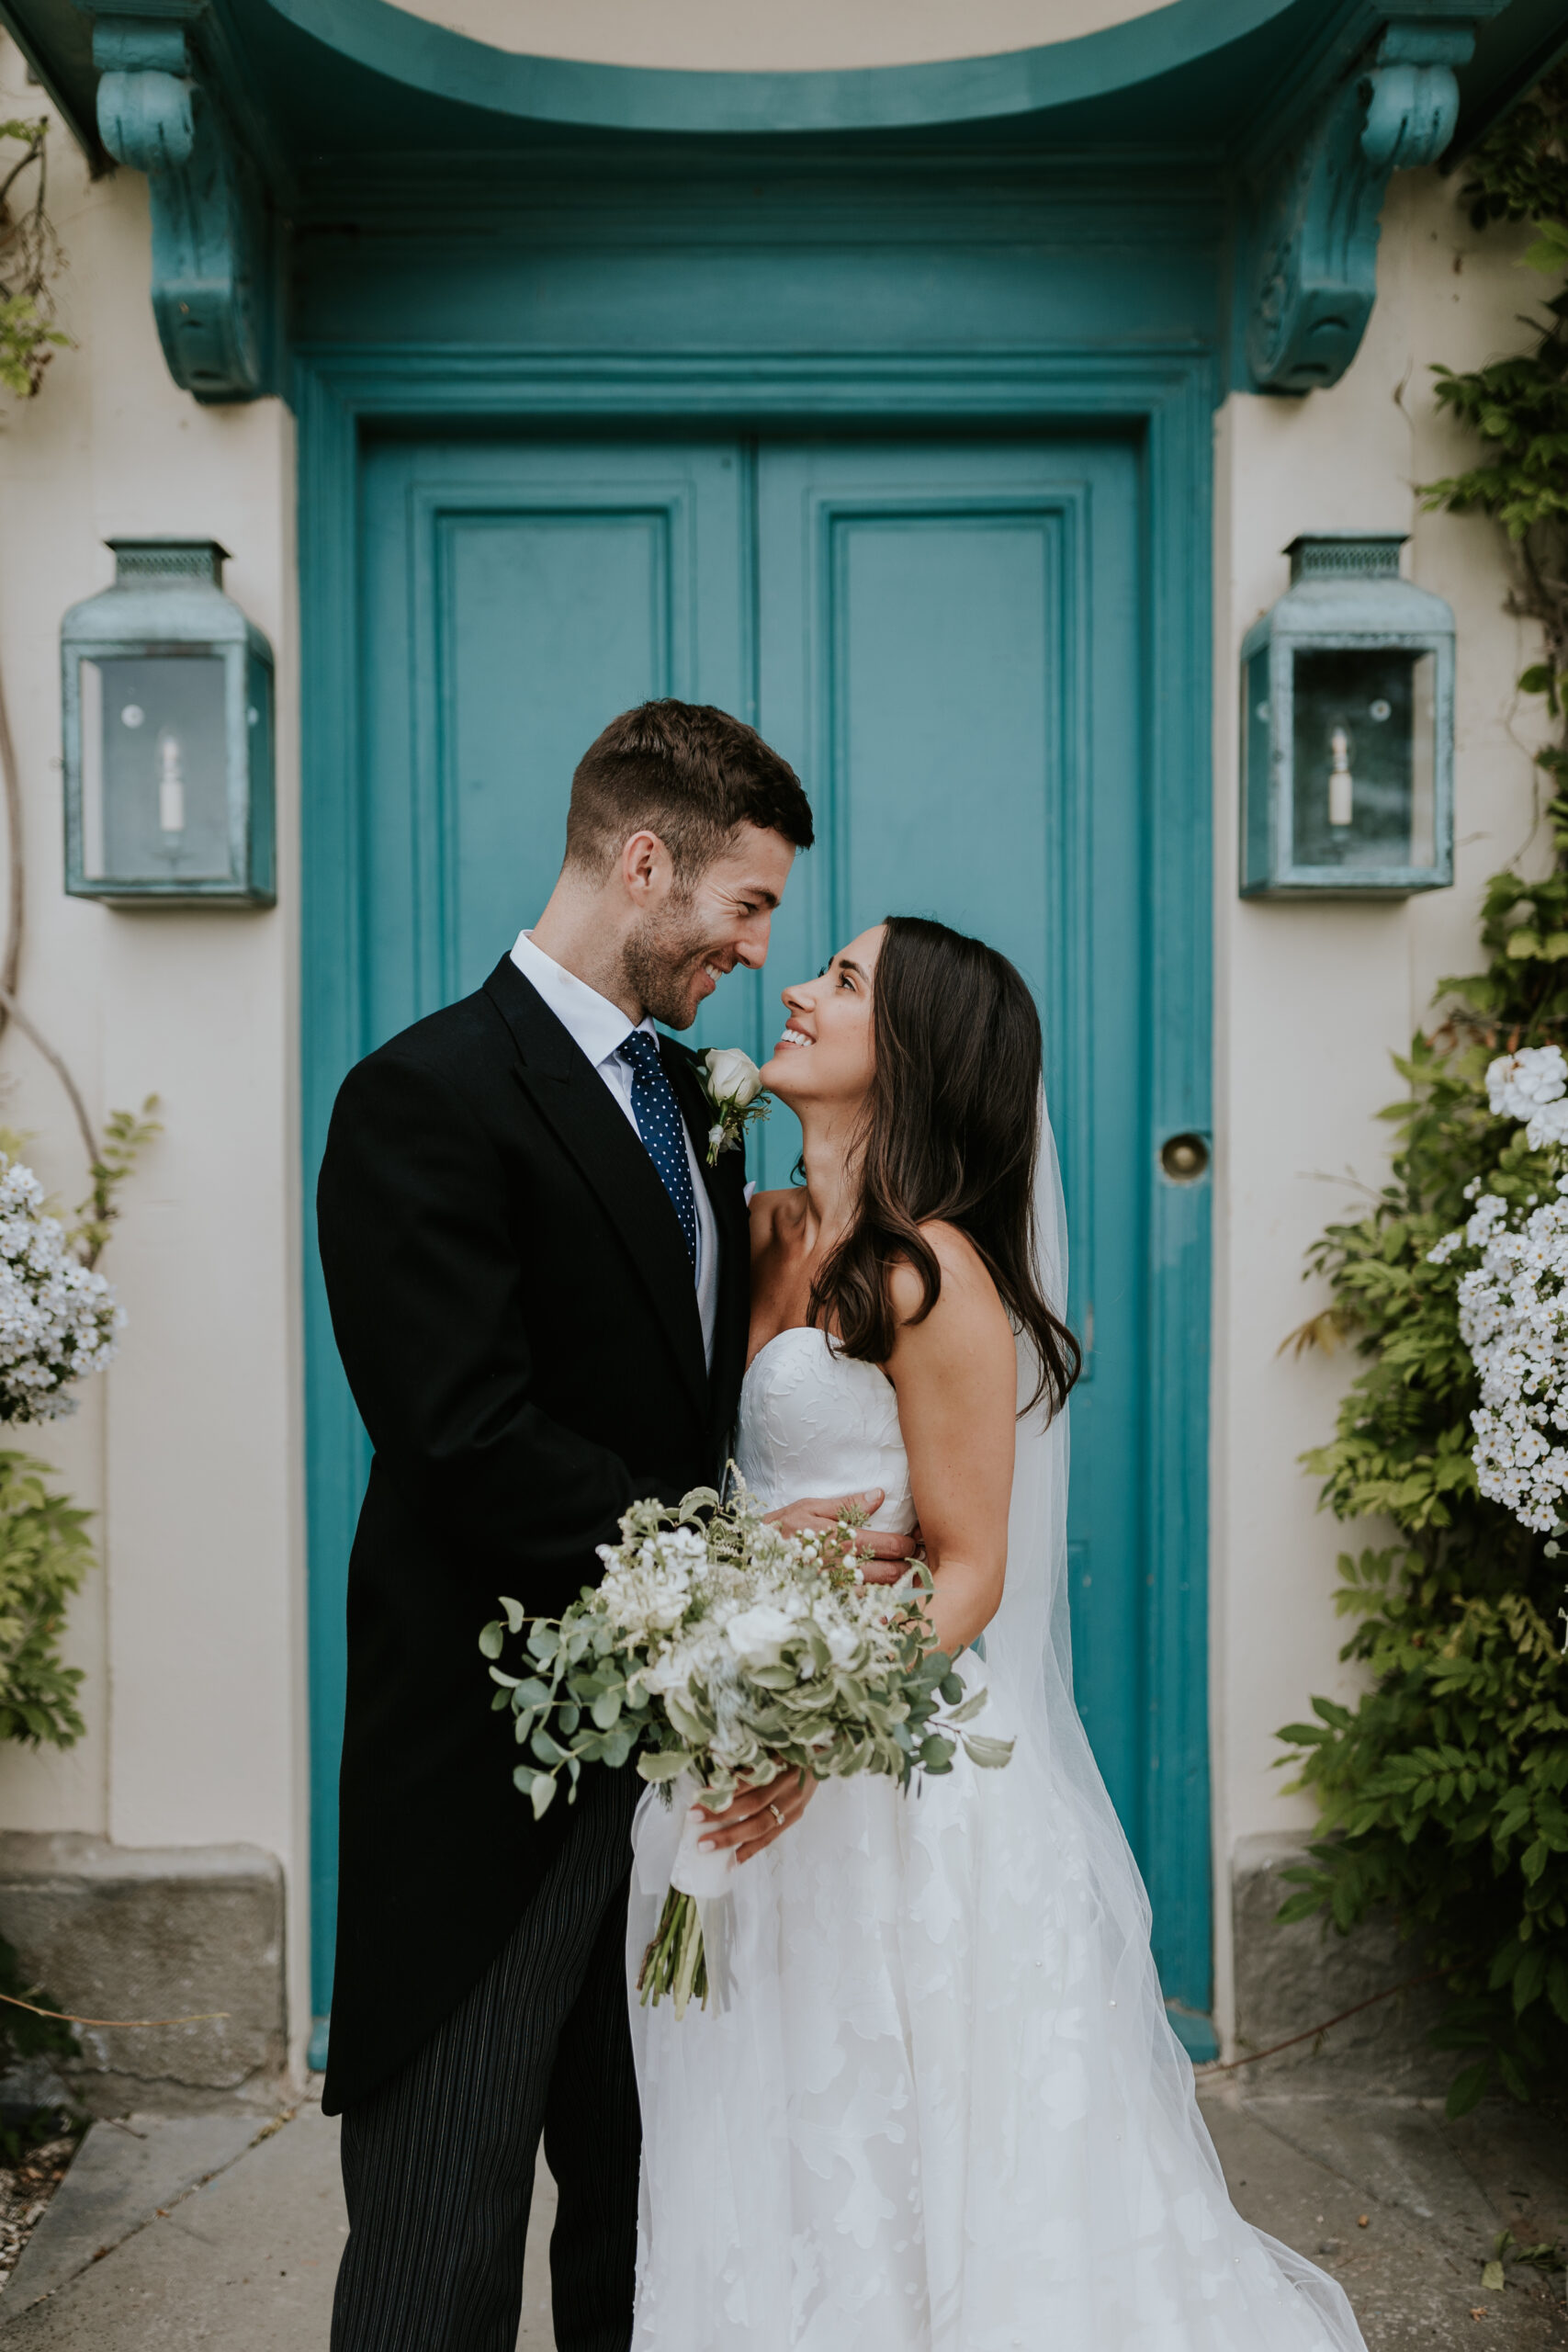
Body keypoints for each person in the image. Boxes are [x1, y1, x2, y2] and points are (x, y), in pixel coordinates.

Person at [626, 914, 1371, 2352]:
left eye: (841, 980)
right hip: (730, 1745)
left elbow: (966, 1571)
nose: (795, 986)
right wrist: (728, 1598)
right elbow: (716, 1474)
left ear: (909, 1057)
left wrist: (811, 1733)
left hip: (878, 1784)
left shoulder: (935, 1277)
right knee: (749, 2138)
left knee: (899, 2147)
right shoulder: (759, 1227)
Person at [316, 700, 917, 2352]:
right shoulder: (422, 1096)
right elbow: (467, 1438)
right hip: (488, 1777)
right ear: (644, 863)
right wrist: (743, 1564)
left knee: (654, 2241)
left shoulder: (700, 1109)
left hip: (679, 1791)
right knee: (443, 2242)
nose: (756, 946)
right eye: (745, 903)